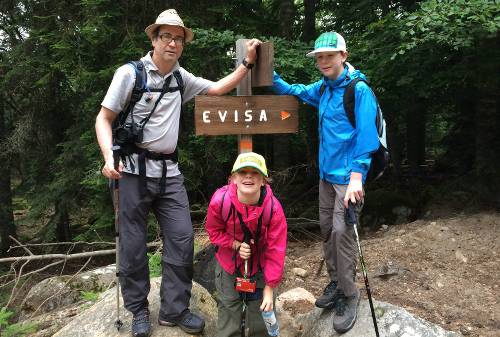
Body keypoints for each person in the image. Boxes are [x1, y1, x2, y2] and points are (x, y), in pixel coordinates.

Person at [95, 9, 261, 337]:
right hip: (131, 171)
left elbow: (216, 89)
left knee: (183, 239)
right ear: (154, 39)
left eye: (178, 38)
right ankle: (139, 310)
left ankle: (174, 309)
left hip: (169, 172)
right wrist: (107, 157)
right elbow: (103, 118)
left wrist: (247, 64)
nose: (173, 43)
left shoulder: (180, 78)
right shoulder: (130, 74)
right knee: (132, 244)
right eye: (166, 36)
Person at [271, 32, 380, 333]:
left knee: (343, 234)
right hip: (326, 177)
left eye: (329, 56)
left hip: (349, 180)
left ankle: (350, 293)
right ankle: (336, 282)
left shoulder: (358, 90)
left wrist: (358, 176)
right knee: (328, 230)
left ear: (343, 56)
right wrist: (269, 72)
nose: (323, 62)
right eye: (319, 57)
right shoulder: (325, 88)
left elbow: (367, 136)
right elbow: (295, 90)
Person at [205, 152, 287, 337]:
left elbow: (277, 250)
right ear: (233, 178)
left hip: (261, 267)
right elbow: (213, 232)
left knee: (261, 317)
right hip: (228, 265)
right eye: (242, 172)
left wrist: (269, 288)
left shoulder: (273, 208)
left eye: (255, 172)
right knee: (228, 312)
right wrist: (234, 244)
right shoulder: (220, 202)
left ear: (263, 180)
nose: (248, 176)